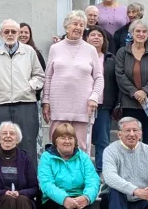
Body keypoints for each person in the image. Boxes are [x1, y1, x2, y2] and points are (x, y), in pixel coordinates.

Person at [0, 19, 44, 163]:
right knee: (3, 143)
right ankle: (2, 180)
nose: (10, 34)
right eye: (6, 32)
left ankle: (30, 181)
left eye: (13, 31)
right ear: (1, 34)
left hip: (26, 103)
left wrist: (28, 86)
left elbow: (39, 76)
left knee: (27, 142)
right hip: (2, 104)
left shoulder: (29, 52)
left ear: (18, 33)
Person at [38, 123, 100, 209]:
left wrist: (86, 197)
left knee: (86, 207)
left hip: (79, 197)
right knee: (68, 208)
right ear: (55, 141)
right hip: (53, 201)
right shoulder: (47, 158)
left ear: (75, 140)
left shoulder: (83, 157)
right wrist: (64, 198)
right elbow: (46, 184)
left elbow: (93, 180)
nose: (67, 141)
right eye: (62, 137)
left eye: (70, 137)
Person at [41, 9, 103, 150]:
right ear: (66, 26)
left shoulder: (90, 50)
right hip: (59, 106)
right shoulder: (55, 48)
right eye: (75, 24)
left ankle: (80, 173)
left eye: (82, 25)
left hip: (83, 107)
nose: (78, 28)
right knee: (58, 146)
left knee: (81, 148)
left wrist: (94, 97)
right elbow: (48, 76)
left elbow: (99, 78)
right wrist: (46, 101)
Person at [114, 19, 148, 148]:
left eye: (144, 31)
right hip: (129, 103)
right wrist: (135, 92)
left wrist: (145, 91)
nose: (141, 34)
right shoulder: (122, 52)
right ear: (131, 33)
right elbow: (120, 75)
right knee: (130, 140)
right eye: (138, 31)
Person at [84, 26, 118, 174]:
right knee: (83, 139)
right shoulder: (81, 56)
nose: (96, 37)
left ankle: (101, 170)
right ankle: (83, 170)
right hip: (82, 105)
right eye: (92, 35)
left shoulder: (110, 58)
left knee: (102, 140)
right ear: (86, 38)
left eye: (99, 35)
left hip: (104, 104)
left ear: (104, 40)